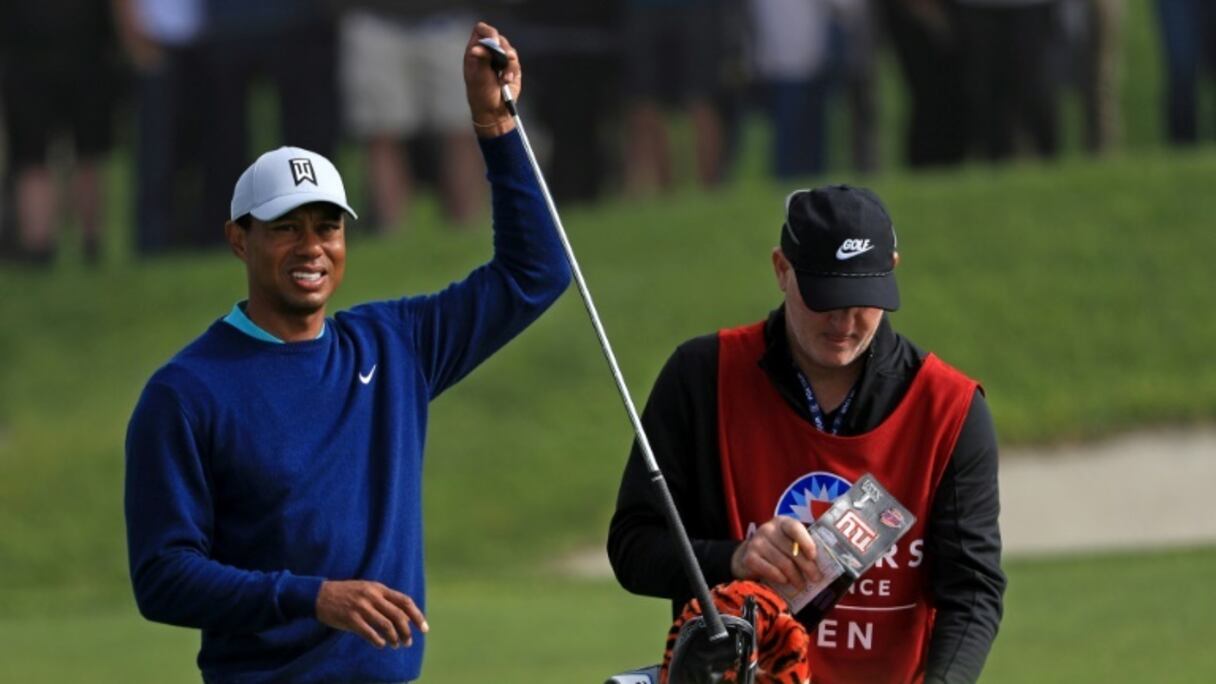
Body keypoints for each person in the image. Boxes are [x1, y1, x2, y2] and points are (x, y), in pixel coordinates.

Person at [125, 23, 570, 683]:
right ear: (238, 240)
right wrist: (313, 597)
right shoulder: (187, 392)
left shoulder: (394, 346)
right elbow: (163, 577)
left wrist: (495, 125)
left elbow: (536, 274)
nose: (312, 247)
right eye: (286, 228)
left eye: (327, 227)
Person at [608, 185, 1005, 683]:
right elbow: (633, 546)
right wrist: (734, 557)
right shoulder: (701, 376)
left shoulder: (952, 409)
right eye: (825, 297)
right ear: (781, 269)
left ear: (892, 271)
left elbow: (972, 592)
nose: (843, 321)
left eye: (862, 298)